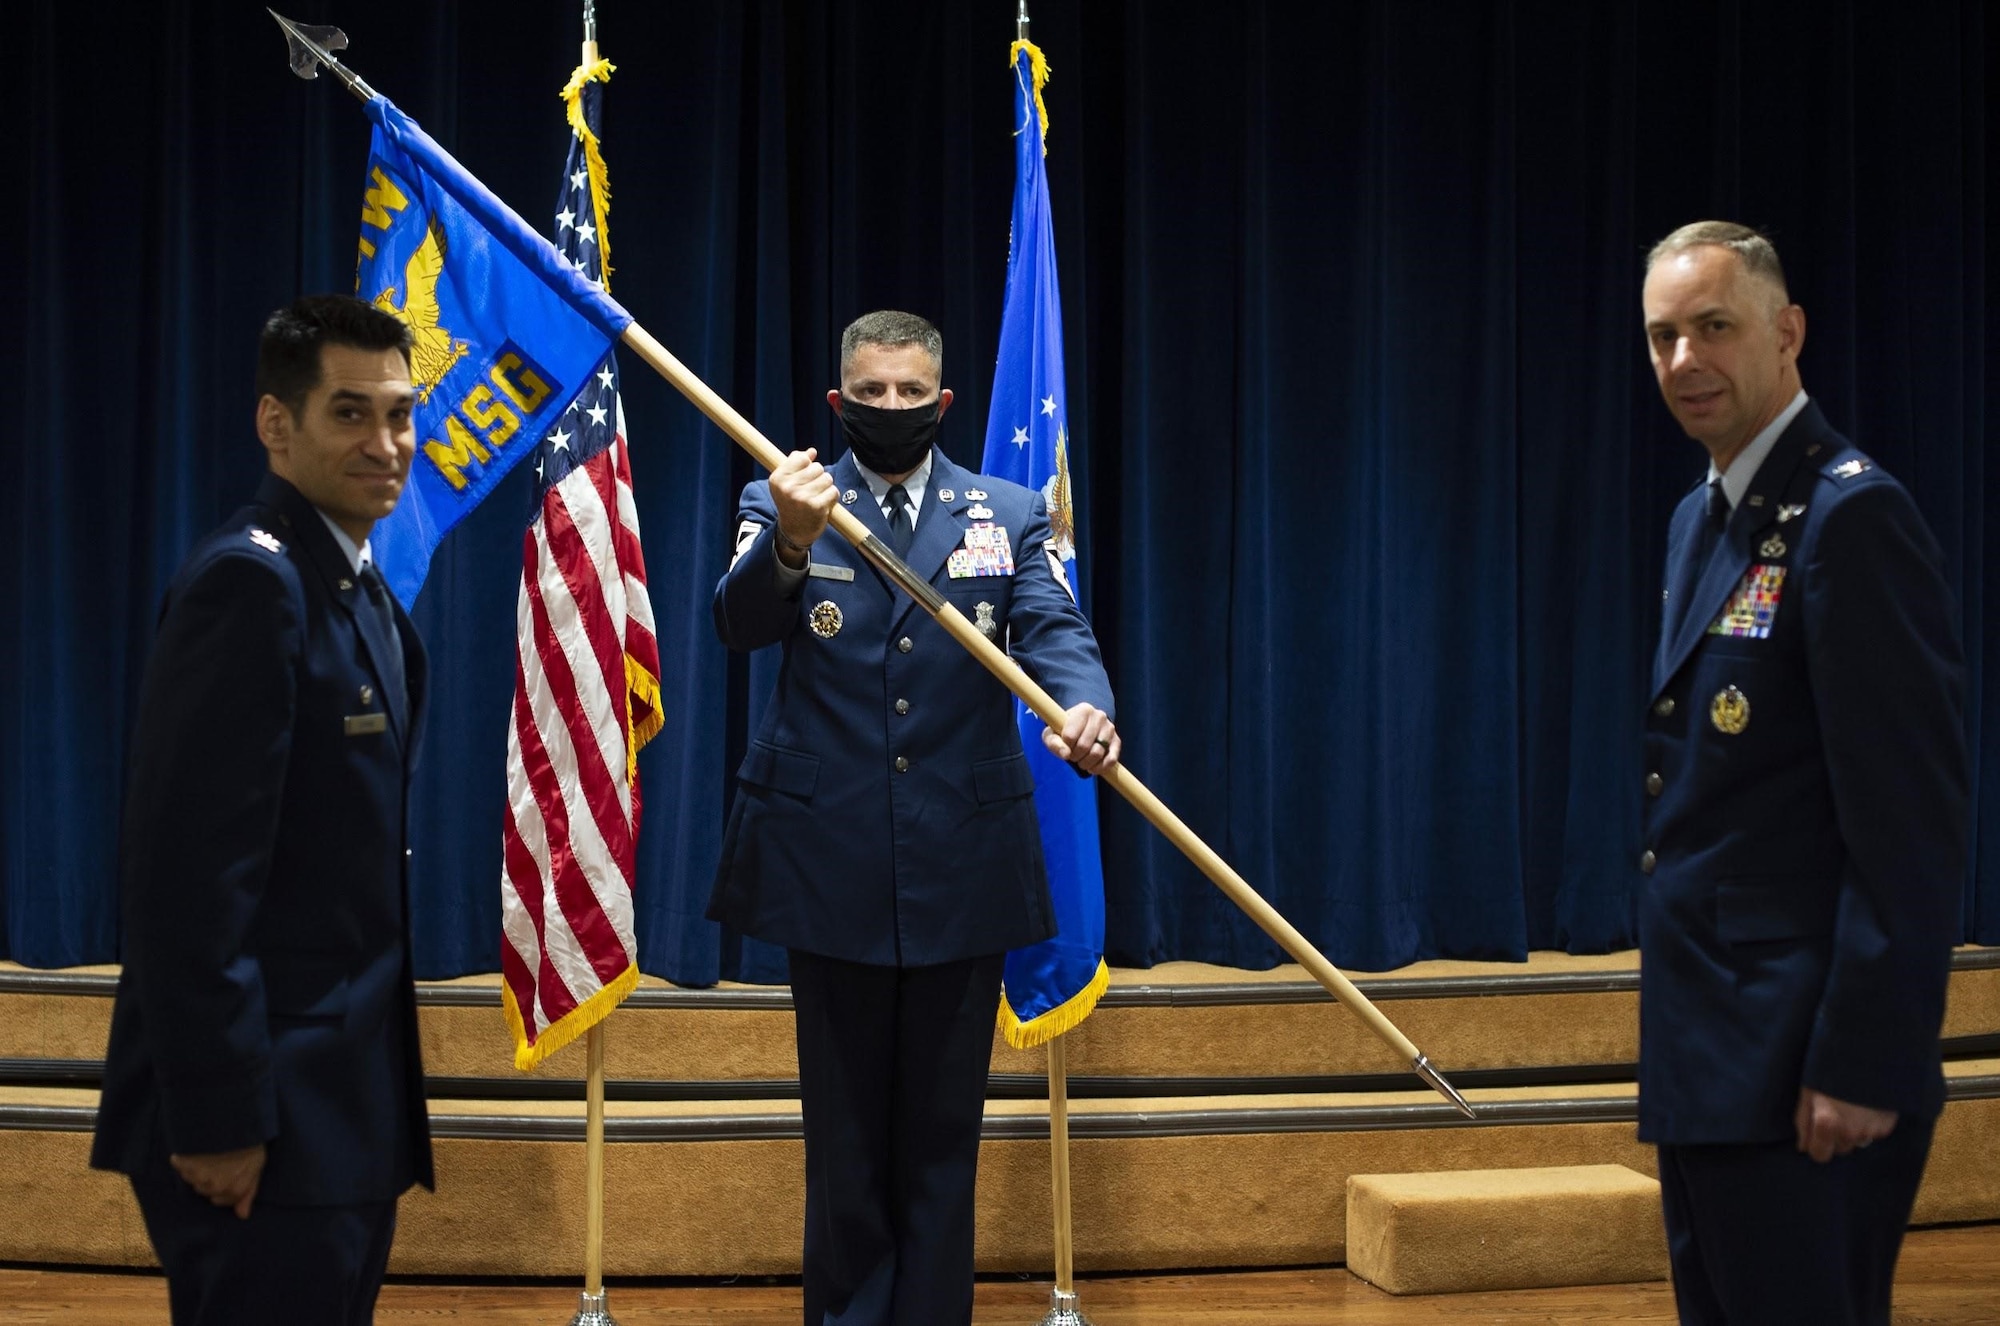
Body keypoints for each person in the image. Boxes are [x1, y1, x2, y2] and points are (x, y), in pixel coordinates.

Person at [709, 310, 1119, 1325]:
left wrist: (1086, 707)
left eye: (908, 393)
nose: (889, 408)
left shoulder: (1010, 511)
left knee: (942, 1140)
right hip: (827, 855)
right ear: (838, 402)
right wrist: (792, 544)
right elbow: (738, 622)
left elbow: (1054, 629)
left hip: (961, 856)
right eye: (870, 392)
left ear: (941, 403)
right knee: (844, 1142)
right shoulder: (784, 493)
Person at [1636, 222, 1967, 1324]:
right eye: (1662, 337)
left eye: (1712, 328)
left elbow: (1908, 820)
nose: (1683, 360)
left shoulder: (1846, 515)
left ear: (1786, 334)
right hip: (1710, 1058)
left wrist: (1866, 1059)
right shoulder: (1700, 517)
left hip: (1806, 1070)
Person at [90, 295, 433, 1324]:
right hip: (262, 1119)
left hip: (339, 1113)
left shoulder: (355, 585)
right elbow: (185, 883)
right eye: (349, 414)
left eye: (402, 414)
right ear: (275, 424)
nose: (387, 445)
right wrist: (218, 1116)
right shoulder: (252, 585)